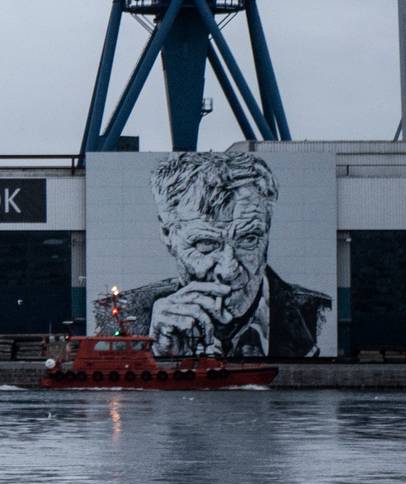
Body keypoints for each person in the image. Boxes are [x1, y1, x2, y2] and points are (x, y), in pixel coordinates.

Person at [93, 145, 331, 359]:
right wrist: (157, 352)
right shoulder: (111, 315)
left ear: (267, 233)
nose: (228, 271)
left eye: (248, 239)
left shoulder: (320, 315)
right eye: (206, 245)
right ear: (168, 235)